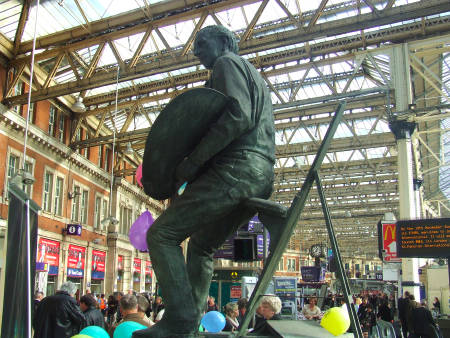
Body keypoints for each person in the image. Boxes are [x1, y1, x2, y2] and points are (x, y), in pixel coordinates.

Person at [134, 24, 275, 338]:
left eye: (201, 43)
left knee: (161, 234)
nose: (196, 51)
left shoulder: (228, 63)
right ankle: (189, 323)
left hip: (237, 169)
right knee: (200, 246)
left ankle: (180, 320)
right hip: (260, 175)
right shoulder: (255, 78)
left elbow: (238, 116)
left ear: (223, 41)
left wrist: (193, 162)